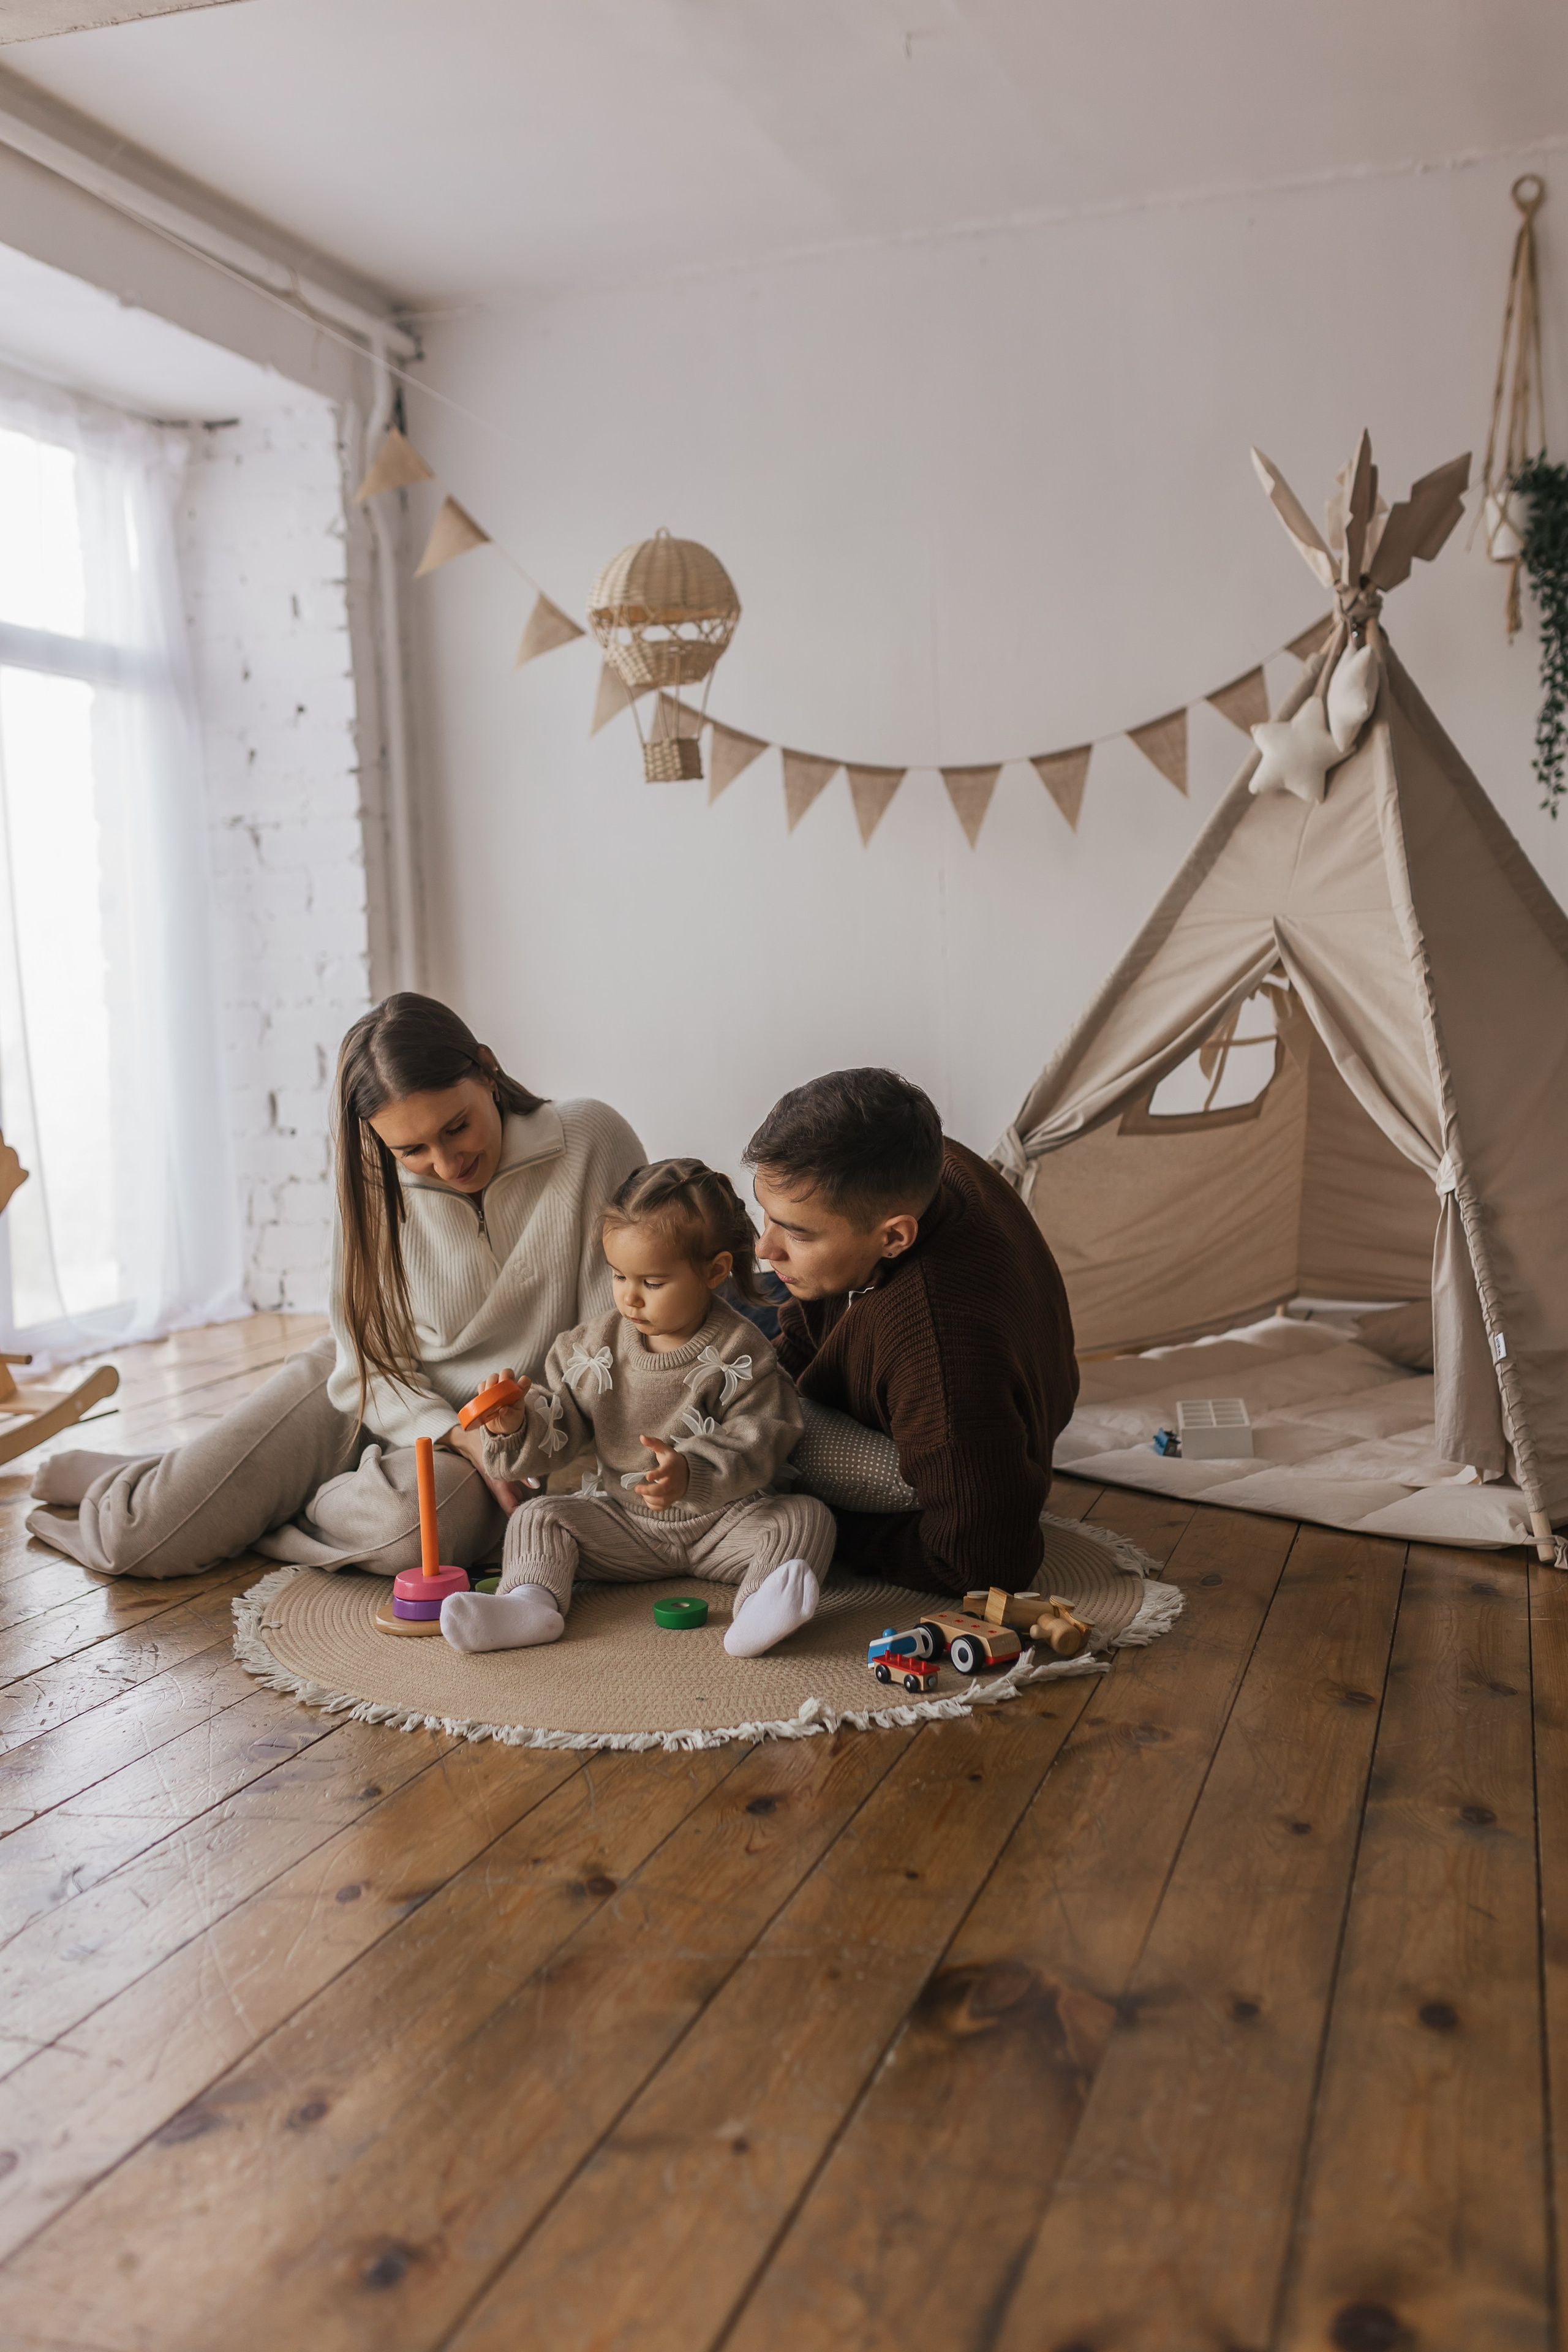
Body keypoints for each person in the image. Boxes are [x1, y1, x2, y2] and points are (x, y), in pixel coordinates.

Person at [26, 995, 644, 1578]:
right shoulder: (373, 1182)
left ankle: (249, 1499)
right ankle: (164, 1488)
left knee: (414, 1532)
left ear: (487, 1070)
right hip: (369, 1389)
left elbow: (608, 1350)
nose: (448, 1163)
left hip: (510, 1443)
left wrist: (505, 1441)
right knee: (138, 1539)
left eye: (457, 1127)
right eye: (413, 1149)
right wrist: (452, 1431)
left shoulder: (589, 1141)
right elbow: (370, 1361)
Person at [442, 1158, 834, 1659]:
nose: (629, 1297)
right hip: (625, 1526)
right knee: (538, 1518)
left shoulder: (741, 1350)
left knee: (806, 1517)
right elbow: (562, 1425)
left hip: (724, 1523)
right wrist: (518, 1423)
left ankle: (759, 1607)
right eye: (619, 1276)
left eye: (652, 1283)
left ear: (714, 1272)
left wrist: (691, 1472)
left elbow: (765, 1432)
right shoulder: (589, 1348)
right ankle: (530, 1604)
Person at [747, 1067, 1079, 1596]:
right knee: (705, 1321)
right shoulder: (925, 1160)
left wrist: (826, 1525)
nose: (765, 1249)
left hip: (950, 1419)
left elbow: (985, 1565)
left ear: (895, 1238)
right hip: (925, 1368)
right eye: (766, 1217)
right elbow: (804, 1332)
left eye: (795, 1233)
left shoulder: (940, 1361)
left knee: (697, 1328)